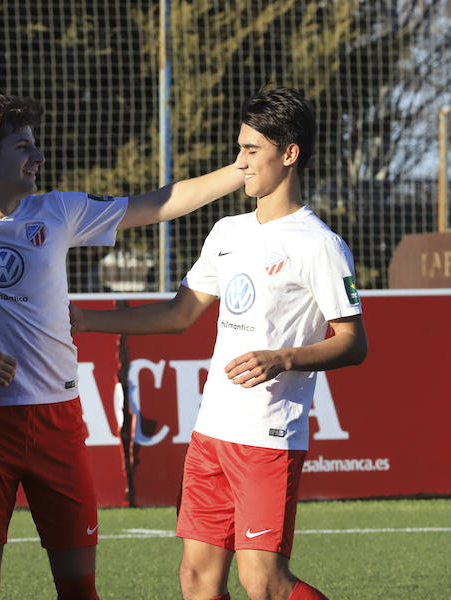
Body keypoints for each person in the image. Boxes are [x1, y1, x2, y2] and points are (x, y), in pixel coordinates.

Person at [0, 94, 245, 600]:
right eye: (23, 147)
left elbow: (158, 203)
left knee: (80, 588)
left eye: (35, 146)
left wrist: (238, 172)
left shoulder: (59, 210)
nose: (37, 158)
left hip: (58, 424)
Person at [69, 87, 367, 600]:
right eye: (239, 149)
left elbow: (354, 343)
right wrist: (85, 321)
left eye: (252, 150)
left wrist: (284, 358)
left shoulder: (320, 244)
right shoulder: (226, 231)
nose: (241, 163)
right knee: (196, 580)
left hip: (267, 438)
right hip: (212, 433)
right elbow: (179, 314)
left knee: (263, 583)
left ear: (289, 154)